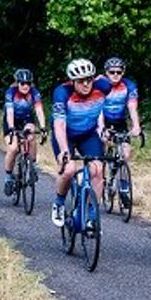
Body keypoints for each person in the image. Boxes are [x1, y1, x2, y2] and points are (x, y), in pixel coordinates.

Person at [50, 58, 108, 227]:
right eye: (80, 81)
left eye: (89, 79)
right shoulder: (62, 93)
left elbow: (117, 83)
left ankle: (91, 216)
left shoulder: (102, 87)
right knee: (69, 169)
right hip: (66, 135)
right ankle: (59, 203)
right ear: (72, 81)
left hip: (88, 134)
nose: (85, 84)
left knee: (98, 170)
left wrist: (105, 131)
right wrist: (64, 150)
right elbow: (59, 125)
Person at [97, 57, 141, 192]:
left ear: (123, 72)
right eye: (112, 72)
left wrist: (136, 126)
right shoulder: (100, 84)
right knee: (103, 146)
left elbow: (132, 107)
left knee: (125, 154)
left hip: (120, 122)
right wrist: (101, 128)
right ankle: (101, 179)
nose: (115, 75)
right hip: (103, 119)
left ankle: (123, 185)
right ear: (106, 72)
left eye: (118, 72)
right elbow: (98, 108)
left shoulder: (129, 85)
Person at [1, 68, 47, 193]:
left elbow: (39, 111)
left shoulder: (34, 93)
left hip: (26, 119)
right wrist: (11, 128)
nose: (25, 86)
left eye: (28, 83)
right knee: (13, 148)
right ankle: (9, 177)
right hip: (12, 120)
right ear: (17, 83)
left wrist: (43, 127)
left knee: (31, 137)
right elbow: (9, 112)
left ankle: (32, 167)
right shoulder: (10, 92)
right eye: (22, 83)